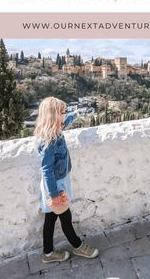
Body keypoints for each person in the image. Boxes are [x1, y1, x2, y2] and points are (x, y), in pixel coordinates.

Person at [34, 96, 99, 263]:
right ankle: (77, 246)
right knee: (65, 216)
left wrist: (75, 114)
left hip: (59, 181)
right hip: (54, 185)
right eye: (63, 112)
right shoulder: (48, 141)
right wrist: (54, 196)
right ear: (54, 115)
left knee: (51, 218)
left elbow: (67, 121)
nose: (65, 115)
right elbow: (47, 170)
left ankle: (48, 253)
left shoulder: (56, 130)